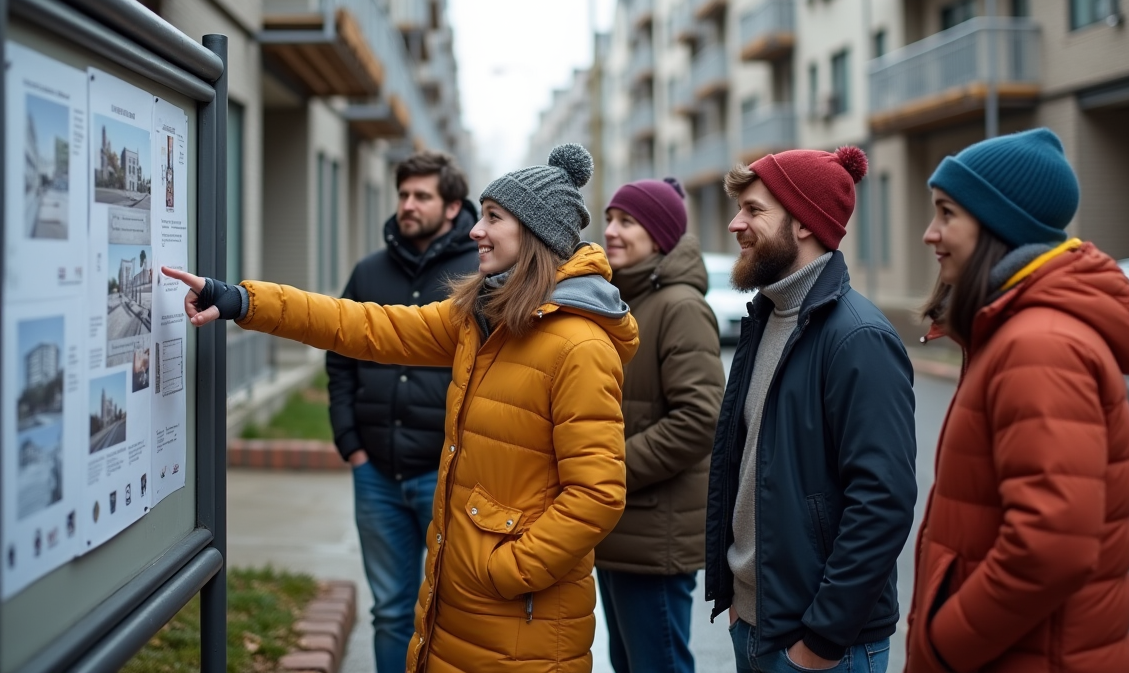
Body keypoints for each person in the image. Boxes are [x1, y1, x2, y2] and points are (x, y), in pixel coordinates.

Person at [166, 144, 638, 673]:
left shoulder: (580, 346)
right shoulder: (478, 319)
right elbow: (364, 325)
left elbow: (597, 494)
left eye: (492, 218)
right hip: (461, 596)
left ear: (534, 233)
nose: (474, 232)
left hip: (521, 617)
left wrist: (507, 570)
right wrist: (242, 301)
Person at [904, 128, 1129, 673]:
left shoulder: (1038, 344)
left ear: (1000, 224)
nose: (931, 234)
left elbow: (1051, 547)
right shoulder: (1014, 333)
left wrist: (944, 645)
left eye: (947, 213)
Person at [705, 147, 917, 673]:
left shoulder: (858, 337)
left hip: (822, 646)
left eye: (754, 210)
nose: (736, 224)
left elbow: (882, 503)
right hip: (755, 621)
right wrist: (737, 602)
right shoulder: (767, 317)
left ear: (803, 223)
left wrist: (821, 641)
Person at [326, 151, 477, 673]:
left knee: (453, 610)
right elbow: (339, 352)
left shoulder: (480, 274)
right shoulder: (368, 271)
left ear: (454, 206)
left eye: (422, 196)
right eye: (404, 194)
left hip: (449, 474)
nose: (408, 205)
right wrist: (350, 442)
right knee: (390, 611)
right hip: (377, 475)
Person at [595, 178, 724, 673]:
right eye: (610, 219)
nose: (611, 231)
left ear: (660, 237)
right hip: (621, 524)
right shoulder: (625, 301)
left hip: (655, 532)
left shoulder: (680, 307)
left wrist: (605, 469)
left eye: (627, 222)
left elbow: (700, 418)